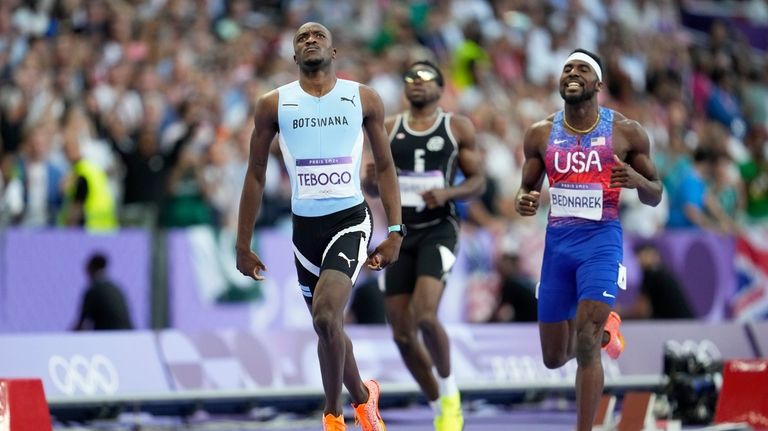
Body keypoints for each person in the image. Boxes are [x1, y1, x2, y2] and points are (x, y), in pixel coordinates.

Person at [235, 22, 403, 431]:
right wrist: (242, 243)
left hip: (350, 220)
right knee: (327, 328)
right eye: (302, 38)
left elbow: (384, 166)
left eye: (319, 36)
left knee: (327, 317)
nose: (310, 40)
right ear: (294, 56)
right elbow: (255, 173)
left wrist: (396, 231)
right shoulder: (273, 104)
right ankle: (364, 400)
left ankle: (332, 415)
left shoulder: (362, 98)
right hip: (304, 230)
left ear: (334, 51)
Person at [514, 49, 663, 431]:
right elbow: (525, 192)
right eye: (566, 68)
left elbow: (655, 193)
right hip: (558, 246)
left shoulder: (626, 132)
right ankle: (605, 331)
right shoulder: (540, 134)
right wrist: (524, 200)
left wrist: (638, 181)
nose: (572, 73)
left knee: (584, 340)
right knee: (553, 356)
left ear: (599, 84)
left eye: (582, 68)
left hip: (601, 240)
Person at [363, 60, 485, 431]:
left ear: (440, 87)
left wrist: (448, 191)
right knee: (401, 331)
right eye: (410, 78)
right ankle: (438, 404)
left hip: (438, 228)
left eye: (425, 77)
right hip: (401, 232)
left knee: (425, 315)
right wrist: (369, 182)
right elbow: (374, 185)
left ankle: (450, 394)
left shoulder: (455, 126)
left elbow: (478, 181)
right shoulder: (388, 127)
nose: (416, 82)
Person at [625, 242, 694, 320]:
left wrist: (621, 314)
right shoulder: (660, 273)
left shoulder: (651, 274)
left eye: (648, 254)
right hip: (683, 323)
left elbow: (641, 311)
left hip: (678, 326)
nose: (645, 258)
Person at [73, 253, 134, 331]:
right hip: (127, 333)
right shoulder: (115, 288)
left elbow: (81, 324)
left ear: (90, 268)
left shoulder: (93, 290)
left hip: (107, 335)